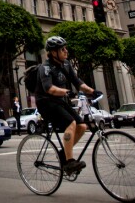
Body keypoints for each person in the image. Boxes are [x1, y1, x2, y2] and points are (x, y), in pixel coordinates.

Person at [34, 36, 96, 174]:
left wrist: (93, 91)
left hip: (60, 101)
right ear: (53, 52)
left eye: (65, 48)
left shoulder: (66, 64)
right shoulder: (45, 67)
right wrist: (66, 92)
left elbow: (78, 82)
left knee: (82, 126)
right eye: (62, 49)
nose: (66, 51)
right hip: (46, 103)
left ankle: (63, 154)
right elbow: (49, 88)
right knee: (71, 124)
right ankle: (69, 162)